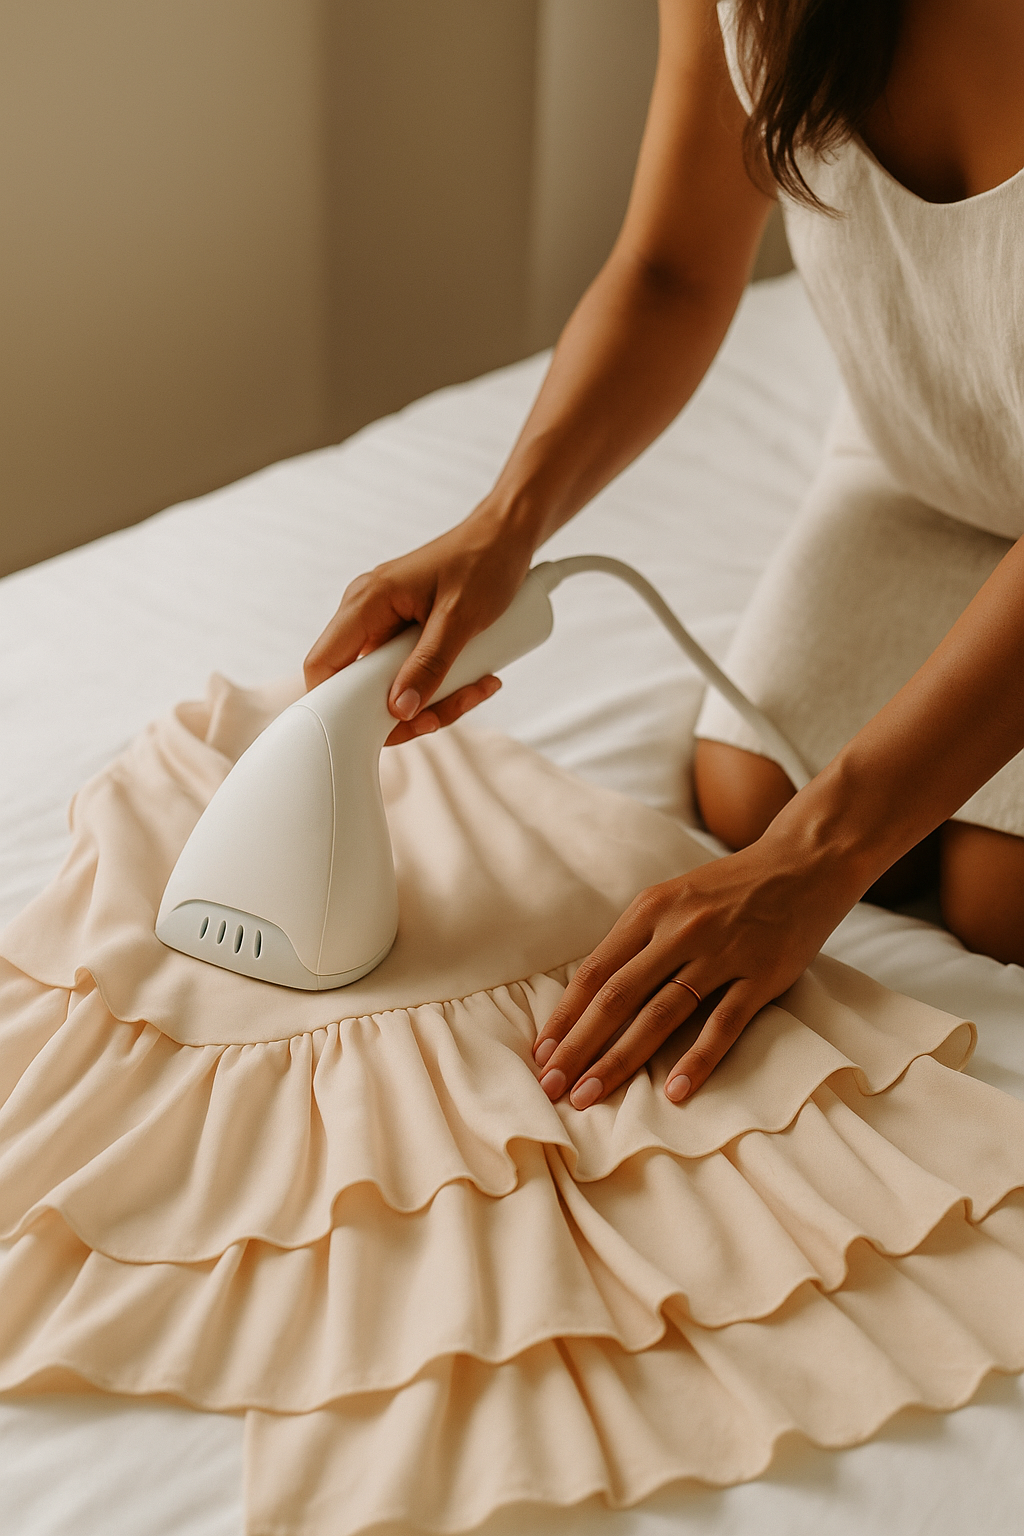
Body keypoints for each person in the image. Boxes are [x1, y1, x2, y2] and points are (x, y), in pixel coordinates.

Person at [304, 0, 1024, 1114]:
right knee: (745, 789)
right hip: (922, 462)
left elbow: (823, 847)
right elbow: (669, 272)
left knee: (1000, 900)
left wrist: (817, 856)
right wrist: (507, 520)